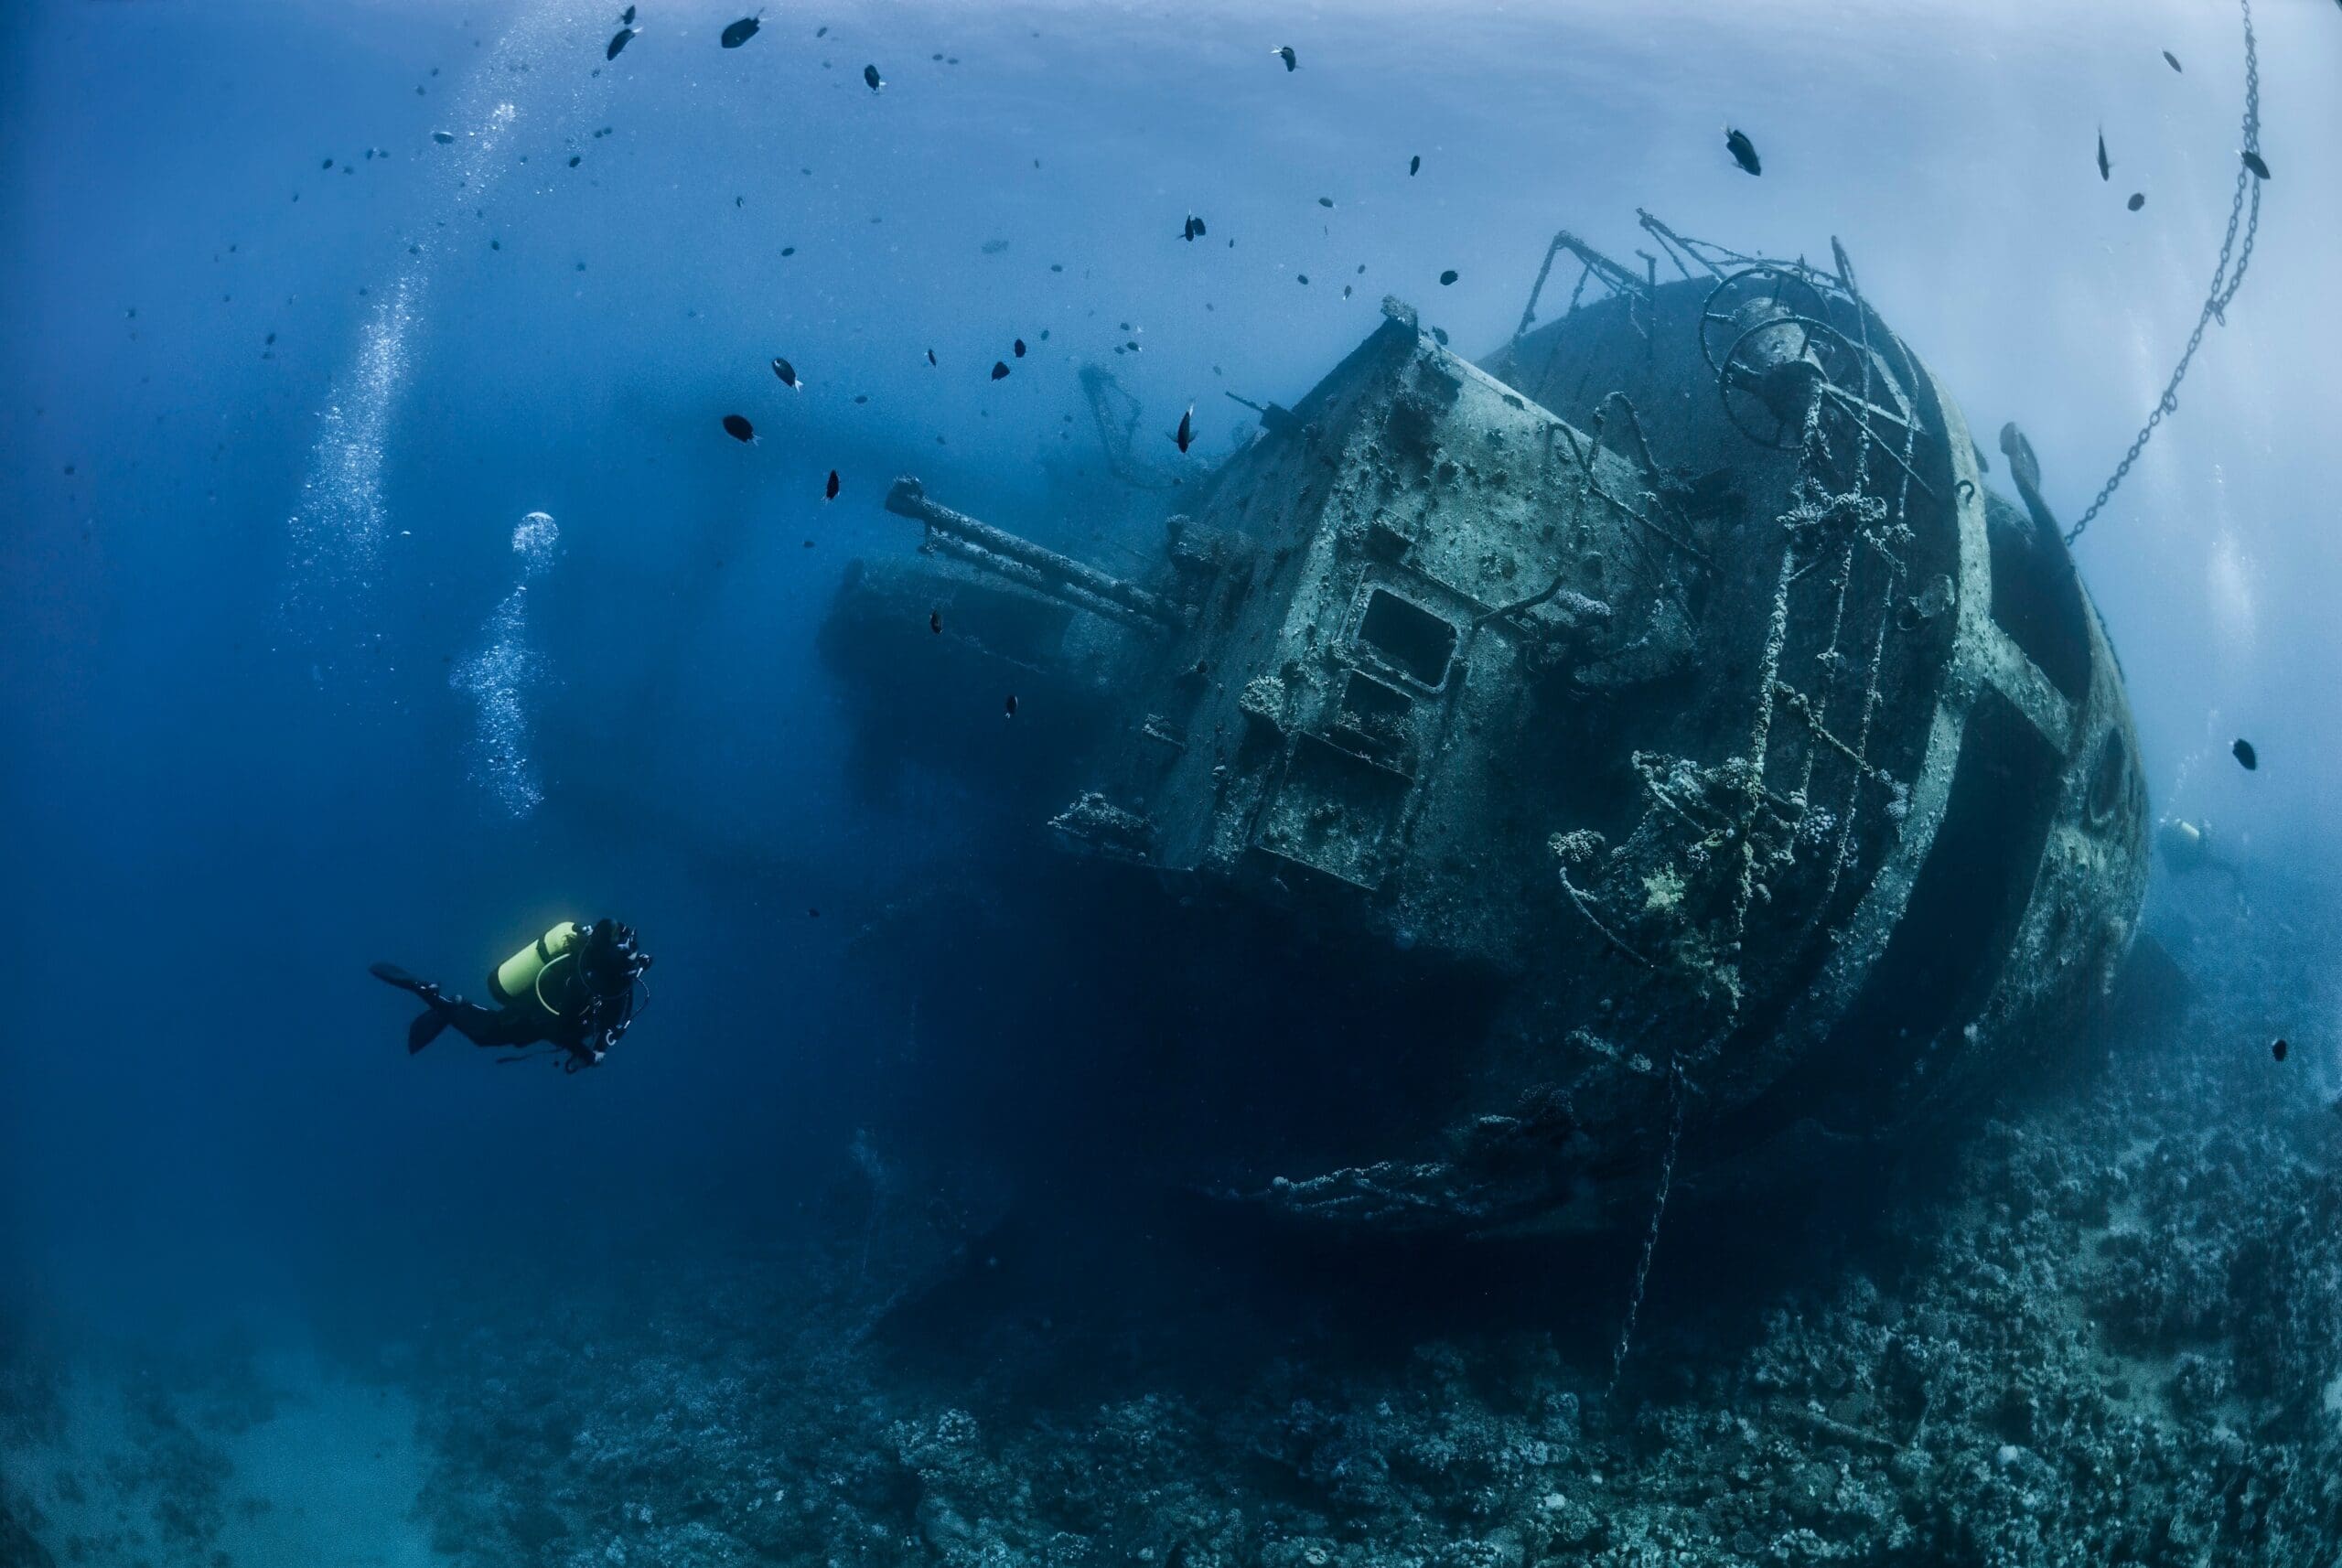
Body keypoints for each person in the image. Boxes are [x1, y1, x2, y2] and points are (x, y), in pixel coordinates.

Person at [371, 918, 651, 1071]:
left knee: (492, 1028)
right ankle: (430, 994)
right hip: (535, 1014)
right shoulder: (587, 980)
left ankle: (449, 1007)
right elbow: (563, 1031)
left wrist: (600, 1044)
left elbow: (615, 1010)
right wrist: (588, 1056)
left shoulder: (613, 978)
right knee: (485, 1034)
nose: (637, 960)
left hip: (544, 1008)